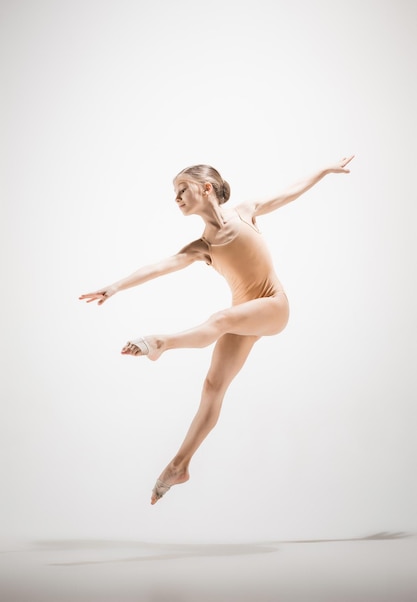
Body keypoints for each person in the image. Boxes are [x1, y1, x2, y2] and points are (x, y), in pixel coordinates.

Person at [79, 157, 354, 504]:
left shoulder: (245, 211)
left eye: (182, 189)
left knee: (221, 318)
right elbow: (159, 266)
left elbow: (290, 193)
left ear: (206, 187)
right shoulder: (202, 247)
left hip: (274, 305)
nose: (176, 198)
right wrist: (115, 287)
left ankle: (160, 342)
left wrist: (325, 170)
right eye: (174, 193)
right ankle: (179, 465)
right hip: (244, 318)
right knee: (212, 386)